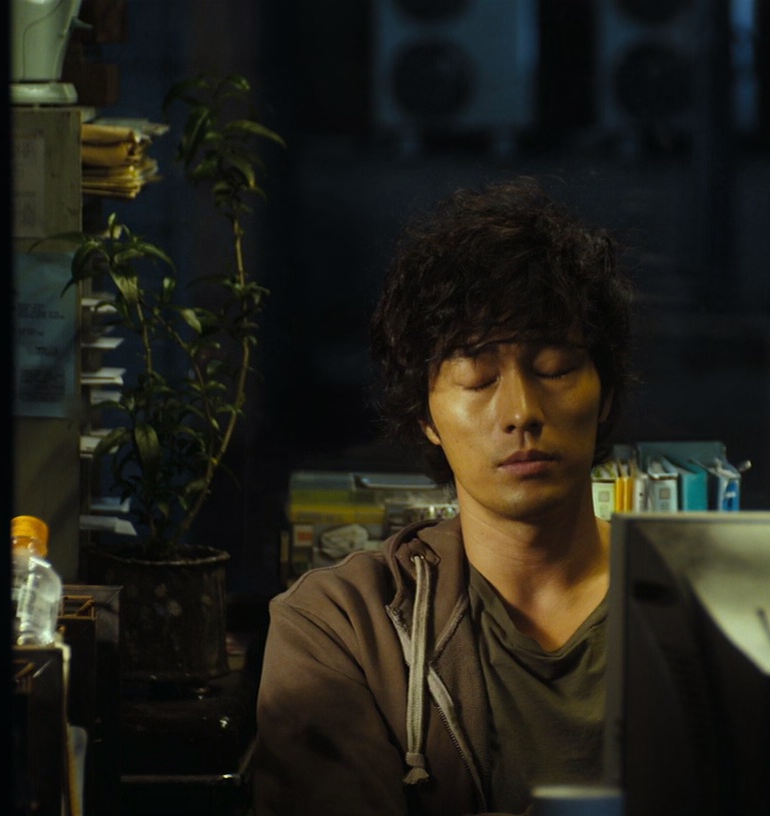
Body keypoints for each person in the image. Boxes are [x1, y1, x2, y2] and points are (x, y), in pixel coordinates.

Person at [250, 177, 636, 816]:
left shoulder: (699, 602)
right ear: (425, 414)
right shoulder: (343, 626)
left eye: (555, 369)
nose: (521, 411)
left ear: (606, 393)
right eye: (478, 378)